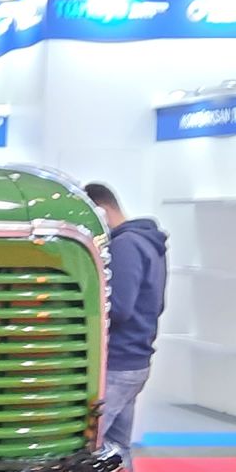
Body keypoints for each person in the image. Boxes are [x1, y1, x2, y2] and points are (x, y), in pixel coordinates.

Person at [84, 183, 168, 454]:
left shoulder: (124, 246)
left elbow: (119, 308)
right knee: (118, 449)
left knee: (87, 447)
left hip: (117, 363)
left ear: (101, 211)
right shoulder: (149, 243)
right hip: (135, 360)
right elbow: (158, 304)